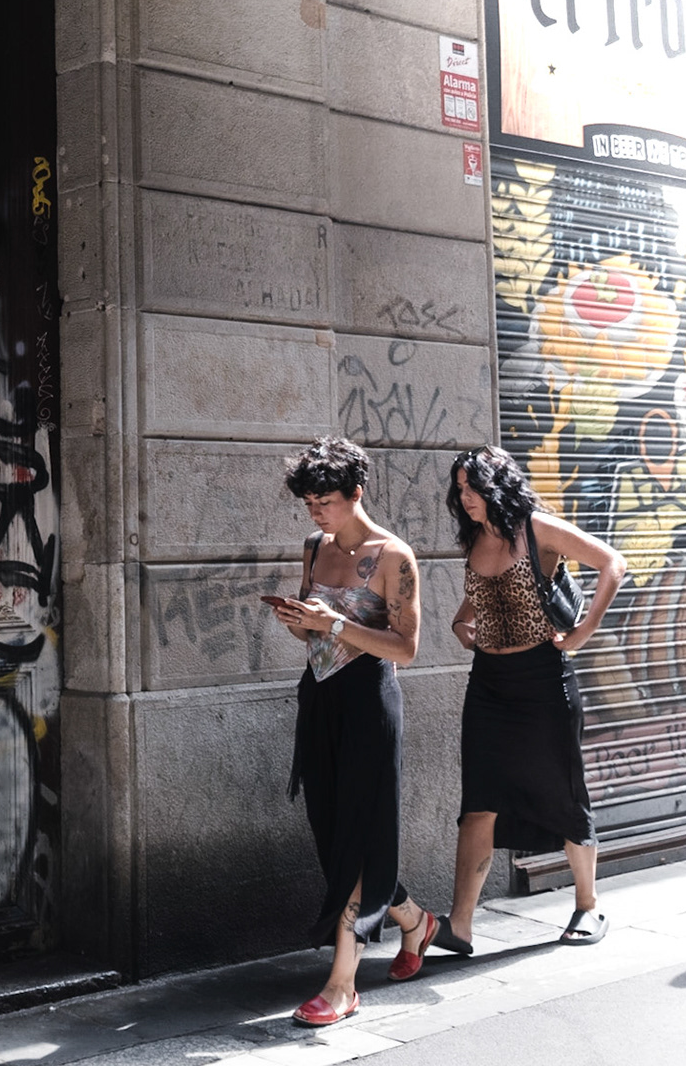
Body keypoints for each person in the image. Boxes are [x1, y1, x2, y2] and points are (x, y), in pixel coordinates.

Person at [432, 445, 627, 957]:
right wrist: (460, 622)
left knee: (564, 796)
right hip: (489, 685)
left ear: (496, 487)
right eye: (459, 489)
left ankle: (588, 905)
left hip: (543, 683)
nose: (465, 497)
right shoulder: (475, 536)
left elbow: (613, 563)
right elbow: (481, 594)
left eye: (472, 487)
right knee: (478, 804)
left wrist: (583, 632)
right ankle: (461, 925)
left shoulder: (537, 528)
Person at [272, 436, 436, 1027]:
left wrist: (335, 622)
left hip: (370, 704)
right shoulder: (314, 547)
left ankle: (343, 985)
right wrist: (300, 622)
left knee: (358, 841)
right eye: (310, 503)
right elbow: (314, 635)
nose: (317, 513)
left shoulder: (394, 556)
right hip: (319, 700)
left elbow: (407, 649)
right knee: (332, 835)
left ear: (356, 493)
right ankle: (415, 920)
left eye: (326, 502)